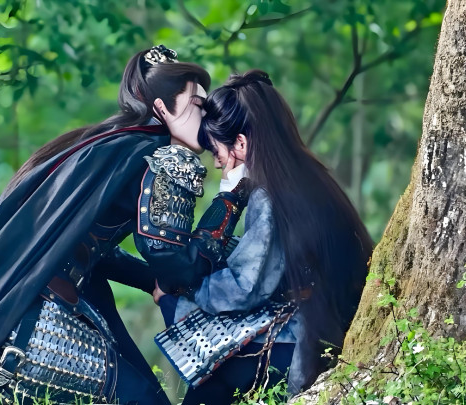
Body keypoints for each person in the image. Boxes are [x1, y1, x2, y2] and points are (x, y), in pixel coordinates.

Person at [0, 46, 244, 405]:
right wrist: (230, 196)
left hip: (19, 313)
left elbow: (89, 248)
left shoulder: (111, 147)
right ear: (163, 109)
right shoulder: (165, 158)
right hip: (41, 325)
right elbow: (176, 265)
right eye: (198, 104)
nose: (206, 116)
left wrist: (152, 283)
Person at [154, 70, 373, 403]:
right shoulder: (311, 176)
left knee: (203, 370)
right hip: (330, 326)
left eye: (217, 153)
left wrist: (183, 291)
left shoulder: (269, 196)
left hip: (303, 340)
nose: (218, 165)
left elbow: (245, 288)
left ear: (241, 144)